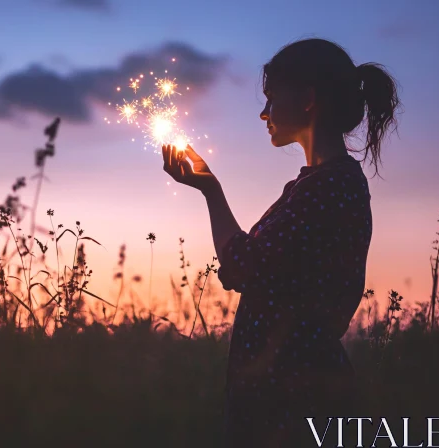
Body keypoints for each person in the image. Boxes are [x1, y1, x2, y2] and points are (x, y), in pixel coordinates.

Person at [161, 38, 401, 447]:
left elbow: (241, 265)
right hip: (285, 392)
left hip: (294, 397)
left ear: (308, 98)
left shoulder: (329, 188)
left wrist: (211, 191)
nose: (263, 112)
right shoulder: (317, 185)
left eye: (271, 98)